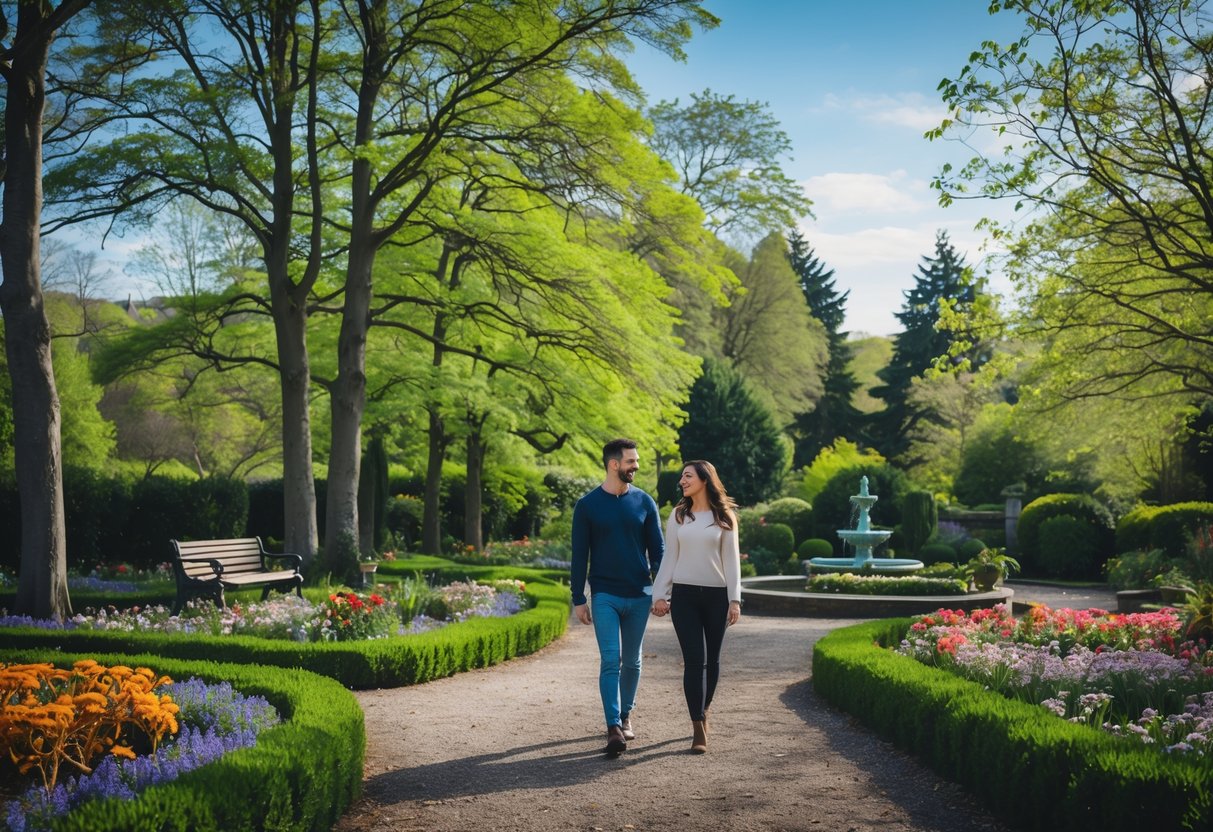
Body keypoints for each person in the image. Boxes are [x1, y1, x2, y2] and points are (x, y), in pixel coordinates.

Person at [570, 438, 665, 756]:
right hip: (605, 594)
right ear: (614, 464)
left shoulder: (645, 502)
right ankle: (613, 726)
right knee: (612, 658)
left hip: (639, 594)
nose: (636, 466)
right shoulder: (587, 506)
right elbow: (579, 555)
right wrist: (578, 597)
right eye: (631, 461)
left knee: (633, 661)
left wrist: (662, 591)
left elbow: (659, 552)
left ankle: (625, 716)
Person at [650, 459, 742, 754]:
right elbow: (669, 557)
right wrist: (660, 595)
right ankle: (698, 725)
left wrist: (734, 599)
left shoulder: (724, 516)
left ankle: (704, 708)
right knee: (694, 660)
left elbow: (732, 560)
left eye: (688, 476)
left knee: (712, 660)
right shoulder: (678, 515)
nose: (682, 481)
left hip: (716, 597)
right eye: (682, 477)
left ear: (705, 479)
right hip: (685, 597)